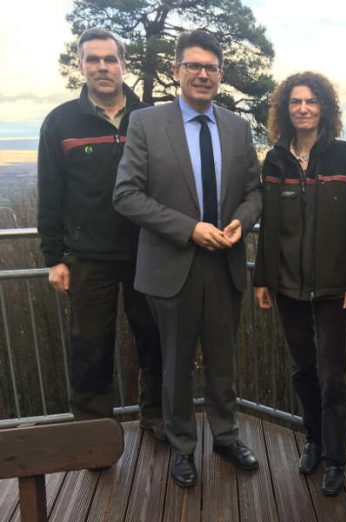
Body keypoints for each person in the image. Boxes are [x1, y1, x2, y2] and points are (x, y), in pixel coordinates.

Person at [113, 29, 261, 488]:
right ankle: (182, 445)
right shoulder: (146, 123)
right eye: (193, 66)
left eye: (211, 68)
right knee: (174, 363)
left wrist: (241, 220)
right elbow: (125, 195)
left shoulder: (238, 127)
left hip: (225, 263)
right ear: (176, 71)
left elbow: (255, 191)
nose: (202, 74)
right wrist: (188, 228)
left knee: (223, 360)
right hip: (172, 264)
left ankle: (225, 434)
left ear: (220, 75)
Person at [37, 27, 165, 440]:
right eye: (93, 59)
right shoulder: (60, 122)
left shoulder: (148, 118)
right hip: (88, 258)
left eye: (110, 59)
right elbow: (50, 192)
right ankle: (93, 435)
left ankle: (157, 416)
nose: (102, 67)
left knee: (155, 341)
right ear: (81, 65)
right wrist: (53, 257)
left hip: (147, 251)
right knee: (90, 348)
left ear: (123, 64)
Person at [252, 71, 346, 495]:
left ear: (325, 109)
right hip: (287, 286)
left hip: (335, 288)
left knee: (333, 375)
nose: (303, 108)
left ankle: (338, 459)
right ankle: (315, 442)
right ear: (286, 109)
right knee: (303, 369)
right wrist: (263, 278)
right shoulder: (276, 161)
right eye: (296, 102)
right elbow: (268, 229)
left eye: (311, 102)